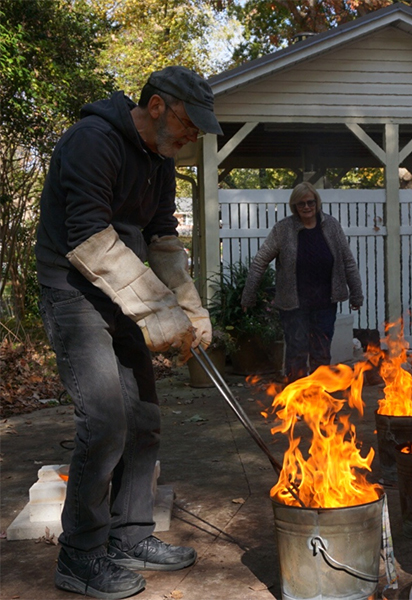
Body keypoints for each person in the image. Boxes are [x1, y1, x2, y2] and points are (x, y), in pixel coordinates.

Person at [35, 66, 223, 600]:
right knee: (105, 418)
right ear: (158, 105)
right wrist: (155, 311)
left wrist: (189, 306)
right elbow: (89, 239)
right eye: (190, 122)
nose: (193, 136)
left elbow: (162, 237)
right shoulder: (93, 140)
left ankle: (130, 535)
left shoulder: (158, 159)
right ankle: (80, 556)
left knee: (143, 416)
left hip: (123, 291)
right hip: (73, 292)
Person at [241, 182, 363, 382]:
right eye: (301, 204)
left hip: (325, 303)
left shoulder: (331, 226)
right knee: (297, 353)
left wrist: (356, 294)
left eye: (310, 202)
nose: (306, 207)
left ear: (317, 203)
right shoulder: (283, 230)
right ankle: (296, 401)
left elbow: (348, 261)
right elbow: (260, 261)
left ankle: (319, 400)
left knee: (322, 354)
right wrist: (248, 295)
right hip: (293, 305)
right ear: (294, 206)